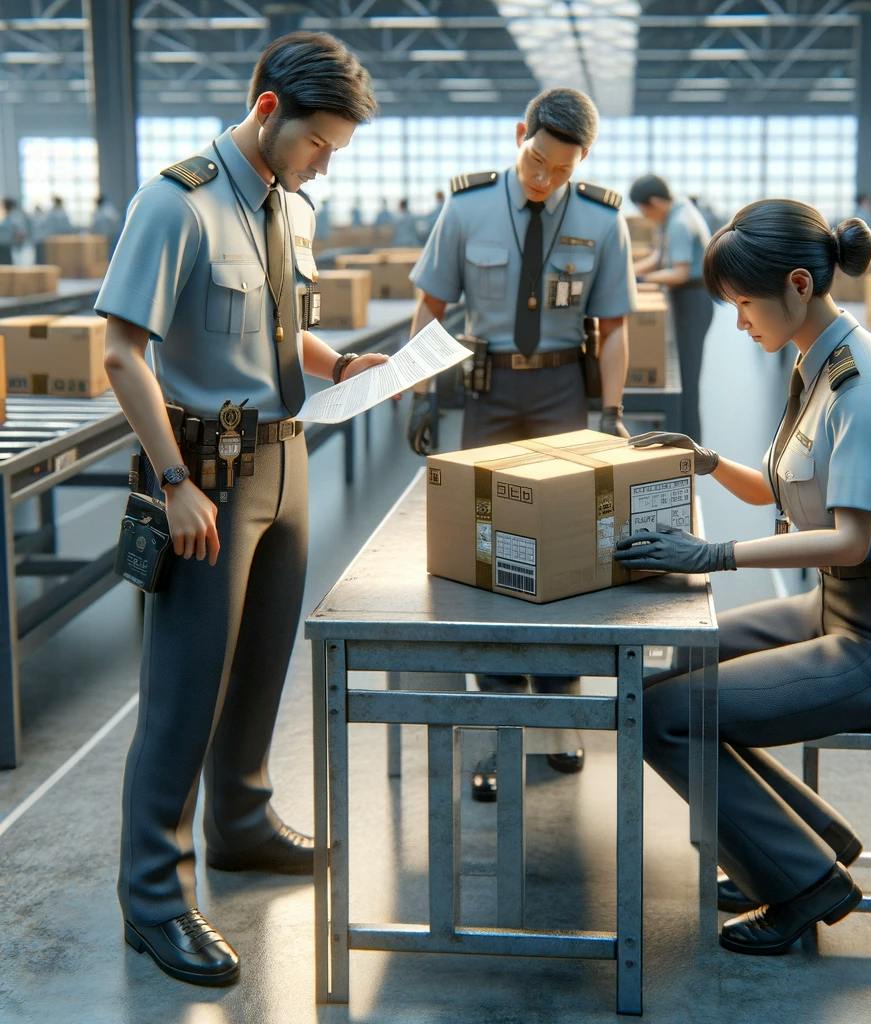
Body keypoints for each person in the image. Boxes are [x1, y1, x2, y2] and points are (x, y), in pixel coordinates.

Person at [96, 31, 384, 987]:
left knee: (263, 664)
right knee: (185, 692)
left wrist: (339, 363)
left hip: (285, 458)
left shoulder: (290, 208)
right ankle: (153, 897)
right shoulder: (175, 203)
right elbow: (122, 351)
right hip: (204, 477)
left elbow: (282, 329)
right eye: (319, 144)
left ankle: (244, 823)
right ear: (268, 110)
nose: (325, 164)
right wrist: (172, 481)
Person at [616, 198, 871, 956]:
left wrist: (717, 556)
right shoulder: (818, 360)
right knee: (680, 667)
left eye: (743, 305)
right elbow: (778, 487)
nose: (738, 323)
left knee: (668, 718)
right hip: (839, 610)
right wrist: (704, 459)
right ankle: (806, 840)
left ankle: (805, 884)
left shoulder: (863, 386)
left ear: (798, 284)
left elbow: (853, 541)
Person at [406, 87, 637, 801]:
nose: (543, 179)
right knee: (488, 557)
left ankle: (559, 714)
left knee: (567, 558)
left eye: (559, 172)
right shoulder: (466, 207)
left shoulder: (602, 221)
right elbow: (431, 305)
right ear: (519, 135)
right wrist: (420, 390)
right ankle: (496, 721)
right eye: (536, 161)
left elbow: (616, 326)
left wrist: (612, 408)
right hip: (489, 394)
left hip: (564, 392)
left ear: (582, 163)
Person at [630, 175, 713, 442]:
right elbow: (659, 258)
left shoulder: (678, 223)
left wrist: (641, 280)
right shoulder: (676, 215)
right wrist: (630, 272)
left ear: (654, 202)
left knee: (687, 381)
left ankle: (692, 447)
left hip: (692, 299)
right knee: (684, 375)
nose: (645, 215)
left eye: (644, 209)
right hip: (688, 299)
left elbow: (679, 272)